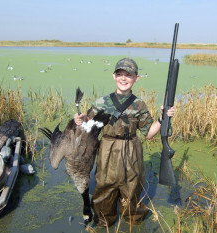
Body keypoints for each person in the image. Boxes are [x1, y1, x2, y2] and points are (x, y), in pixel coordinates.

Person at [74, 57, 175, 227]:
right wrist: (80, 121)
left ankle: (133, 222)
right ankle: (103, 223)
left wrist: (162, 118)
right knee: (104, 191)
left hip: (132, 153)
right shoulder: (101, 103)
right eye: (120, 74)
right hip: (107, 153)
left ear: (136, 78)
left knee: (133, 190)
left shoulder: (139, 104)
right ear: (114, 76)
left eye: (128, 75)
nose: (123, 78)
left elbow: (149, 133)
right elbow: (87, 129)